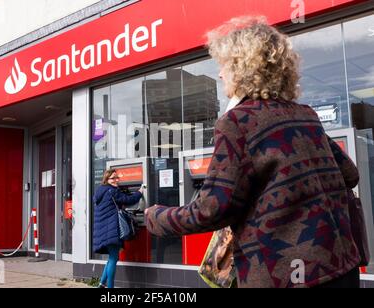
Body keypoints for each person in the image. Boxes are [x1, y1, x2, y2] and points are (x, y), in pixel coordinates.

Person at [144, 16, 361, 288]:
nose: (221, 74)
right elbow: (349, 174)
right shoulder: (305, 115)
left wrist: (156, 217)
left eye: (224, 66)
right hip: (342, 267)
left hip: (283, 275)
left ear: (242, 67)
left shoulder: (238, 122)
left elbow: (213, 209)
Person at [93, 169, 144, 288]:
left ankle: (101, 284)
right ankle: (110, 287)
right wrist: (140, 192)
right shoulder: (112, 191)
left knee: (111, 257)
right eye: (113, 178)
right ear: (107, 180)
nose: (116, 180)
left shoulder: (101, 191)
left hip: (103, 230)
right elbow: (129, 200)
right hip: (111, 230)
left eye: (117, 178)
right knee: (114, 258)